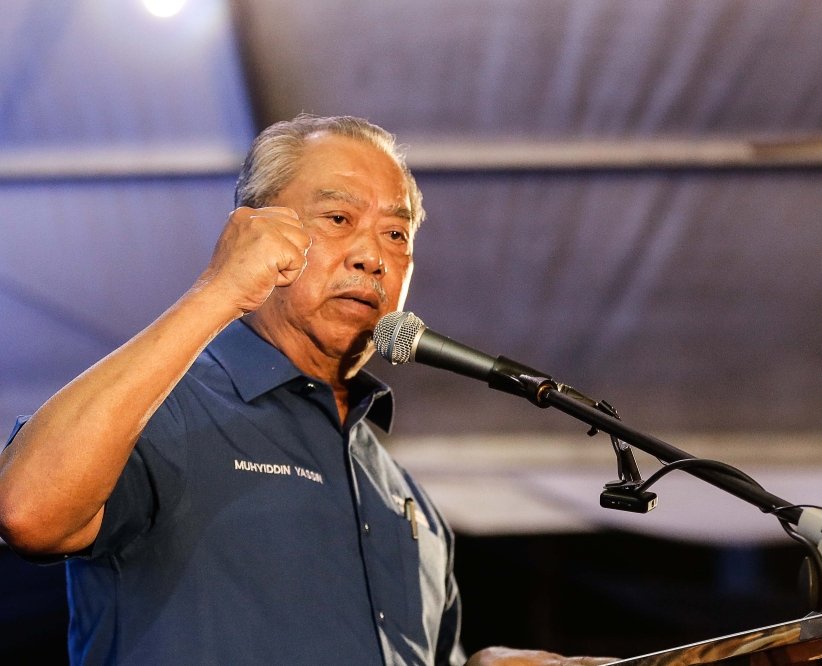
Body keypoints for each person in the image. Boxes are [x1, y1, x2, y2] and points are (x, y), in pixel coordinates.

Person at [0, 115, 614, 666]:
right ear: (252, 231)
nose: (373, 257)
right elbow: (26, 511)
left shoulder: (408, 501)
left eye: (396, 236)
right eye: (339, 219)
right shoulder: (161, 409)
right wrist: (219, 289)